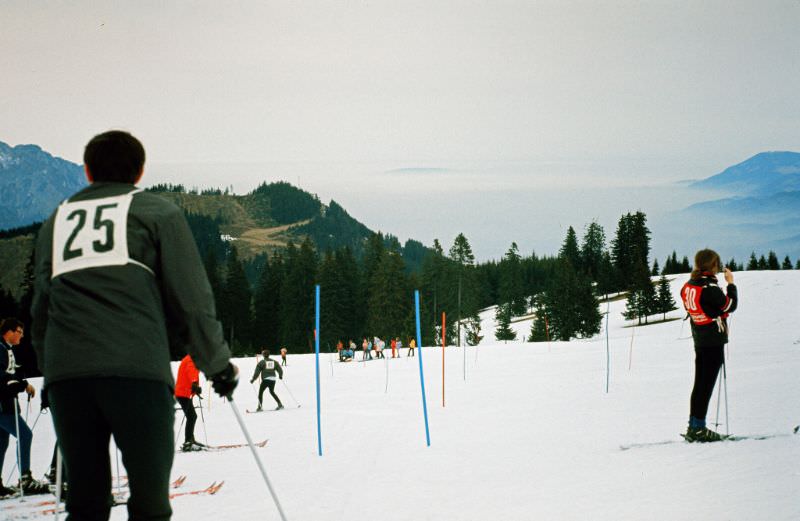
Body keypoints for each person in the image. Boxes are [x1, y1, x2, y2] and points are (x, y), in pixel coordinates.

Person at [31, 130, 239, 520]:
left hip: (69, 376)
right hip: (136, 370)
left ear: (87, 171)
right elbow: (192, 299)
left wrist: (50, 370)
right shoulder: (157, 213)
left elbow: (41, 305)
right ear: (140, 172)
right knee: (148, 501)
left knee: (86, 501)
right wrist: (217, 365)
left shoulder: (58, 220)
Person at [680, 249, 738, 442]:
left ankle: (694, 425)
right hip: (712, 340)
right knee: (706, 384)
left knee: (700, 383)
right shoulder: (709, 288)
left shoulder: (689, 285)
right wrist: (731, 284)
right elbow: (730, 305)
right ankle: (698, 428)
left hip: (700, 338)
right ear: (712, 266)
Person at [0, 318, 49, 497]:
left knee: (2, 442)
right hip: (3, 405)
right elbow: (3, 377)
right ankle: (25, 478)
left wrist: (19, 382)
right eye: (19, 332)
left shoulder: (6, 349)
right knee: (25, 434)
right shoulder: (1, 349)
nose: (22, 336)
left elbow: (10, 373)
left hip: (5, 403)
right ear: (9, 332)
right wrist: (21, 385)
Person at [175, 355, 204, 452]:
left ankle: (191, 440)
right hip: (182, 393)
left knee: (192, 416)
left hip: (183, 392)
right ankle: (188, 442)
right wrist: (195, 383)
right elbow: (191, 370)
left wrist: (195, 389)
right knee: (192, 416)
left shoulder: (190, 358)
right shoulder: (192, 359)